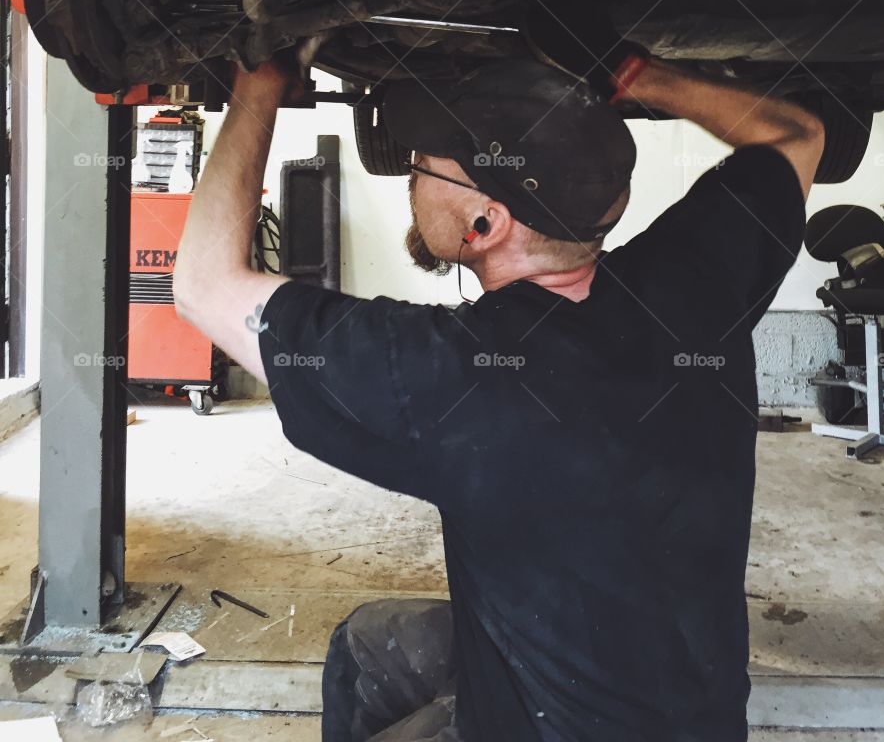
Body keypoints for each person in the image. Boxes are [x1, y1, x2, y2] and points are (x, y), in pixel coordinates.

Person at [173, 49, 824, 742]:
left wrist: (257, 88)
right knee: (373, 641)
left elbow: (201, 286)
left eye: (425, 166)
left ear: (485, 224)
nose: (413, 169)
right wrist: (643, 76)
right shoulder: (695, 279)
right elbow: (795, 135)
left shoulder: (455, 377)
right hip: (700, 720)